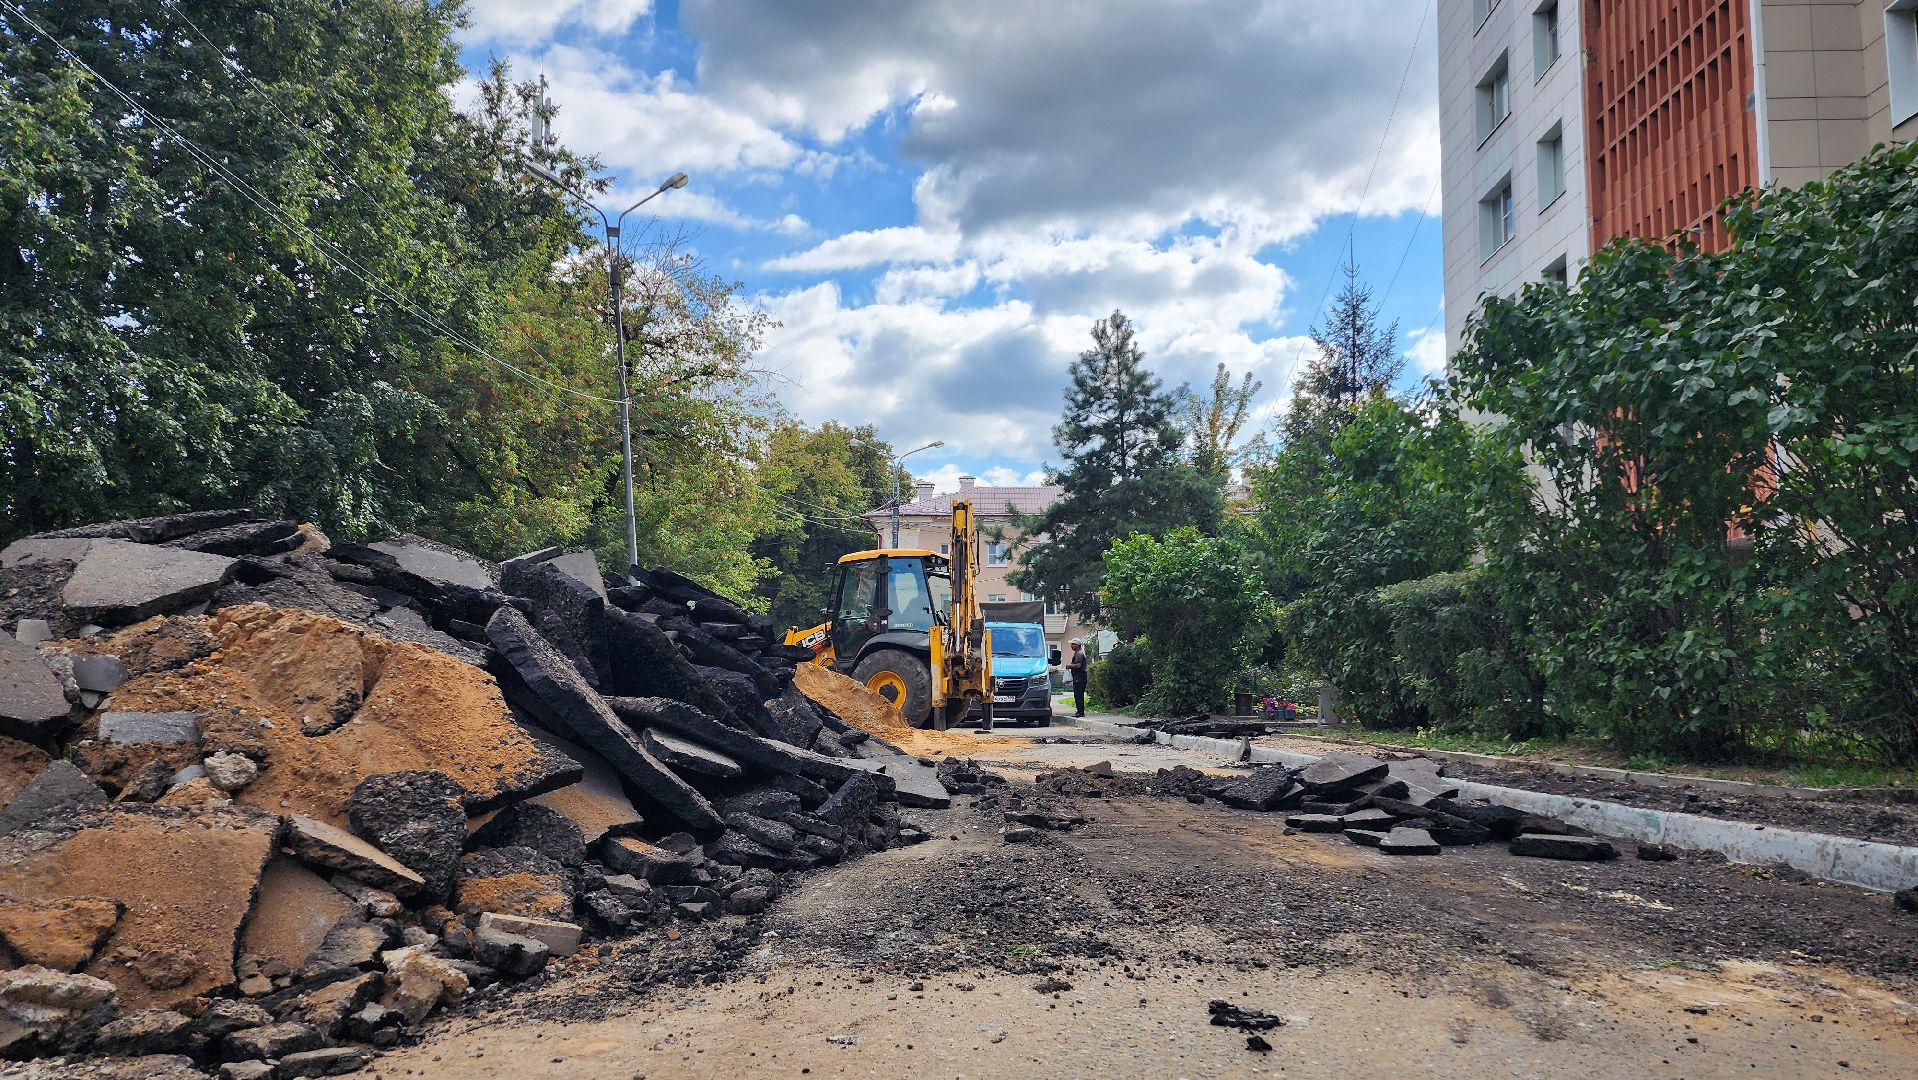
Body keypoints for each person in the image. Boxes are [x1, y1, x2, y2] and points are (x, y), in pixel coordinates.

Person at [1066, 638, 1089, 717]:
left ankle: (1080, 712)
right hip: (1078, 676)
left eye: (1072, 644)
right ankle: (1079, 711)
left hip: (1080, 676)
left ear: (1077, 645)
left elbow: (1078, 665)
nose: (1071, 646)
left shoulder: (1079, 654)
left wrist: (1069, 666)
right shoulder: (1077, 653)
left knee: (1079, 694)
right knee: (1077, 694)